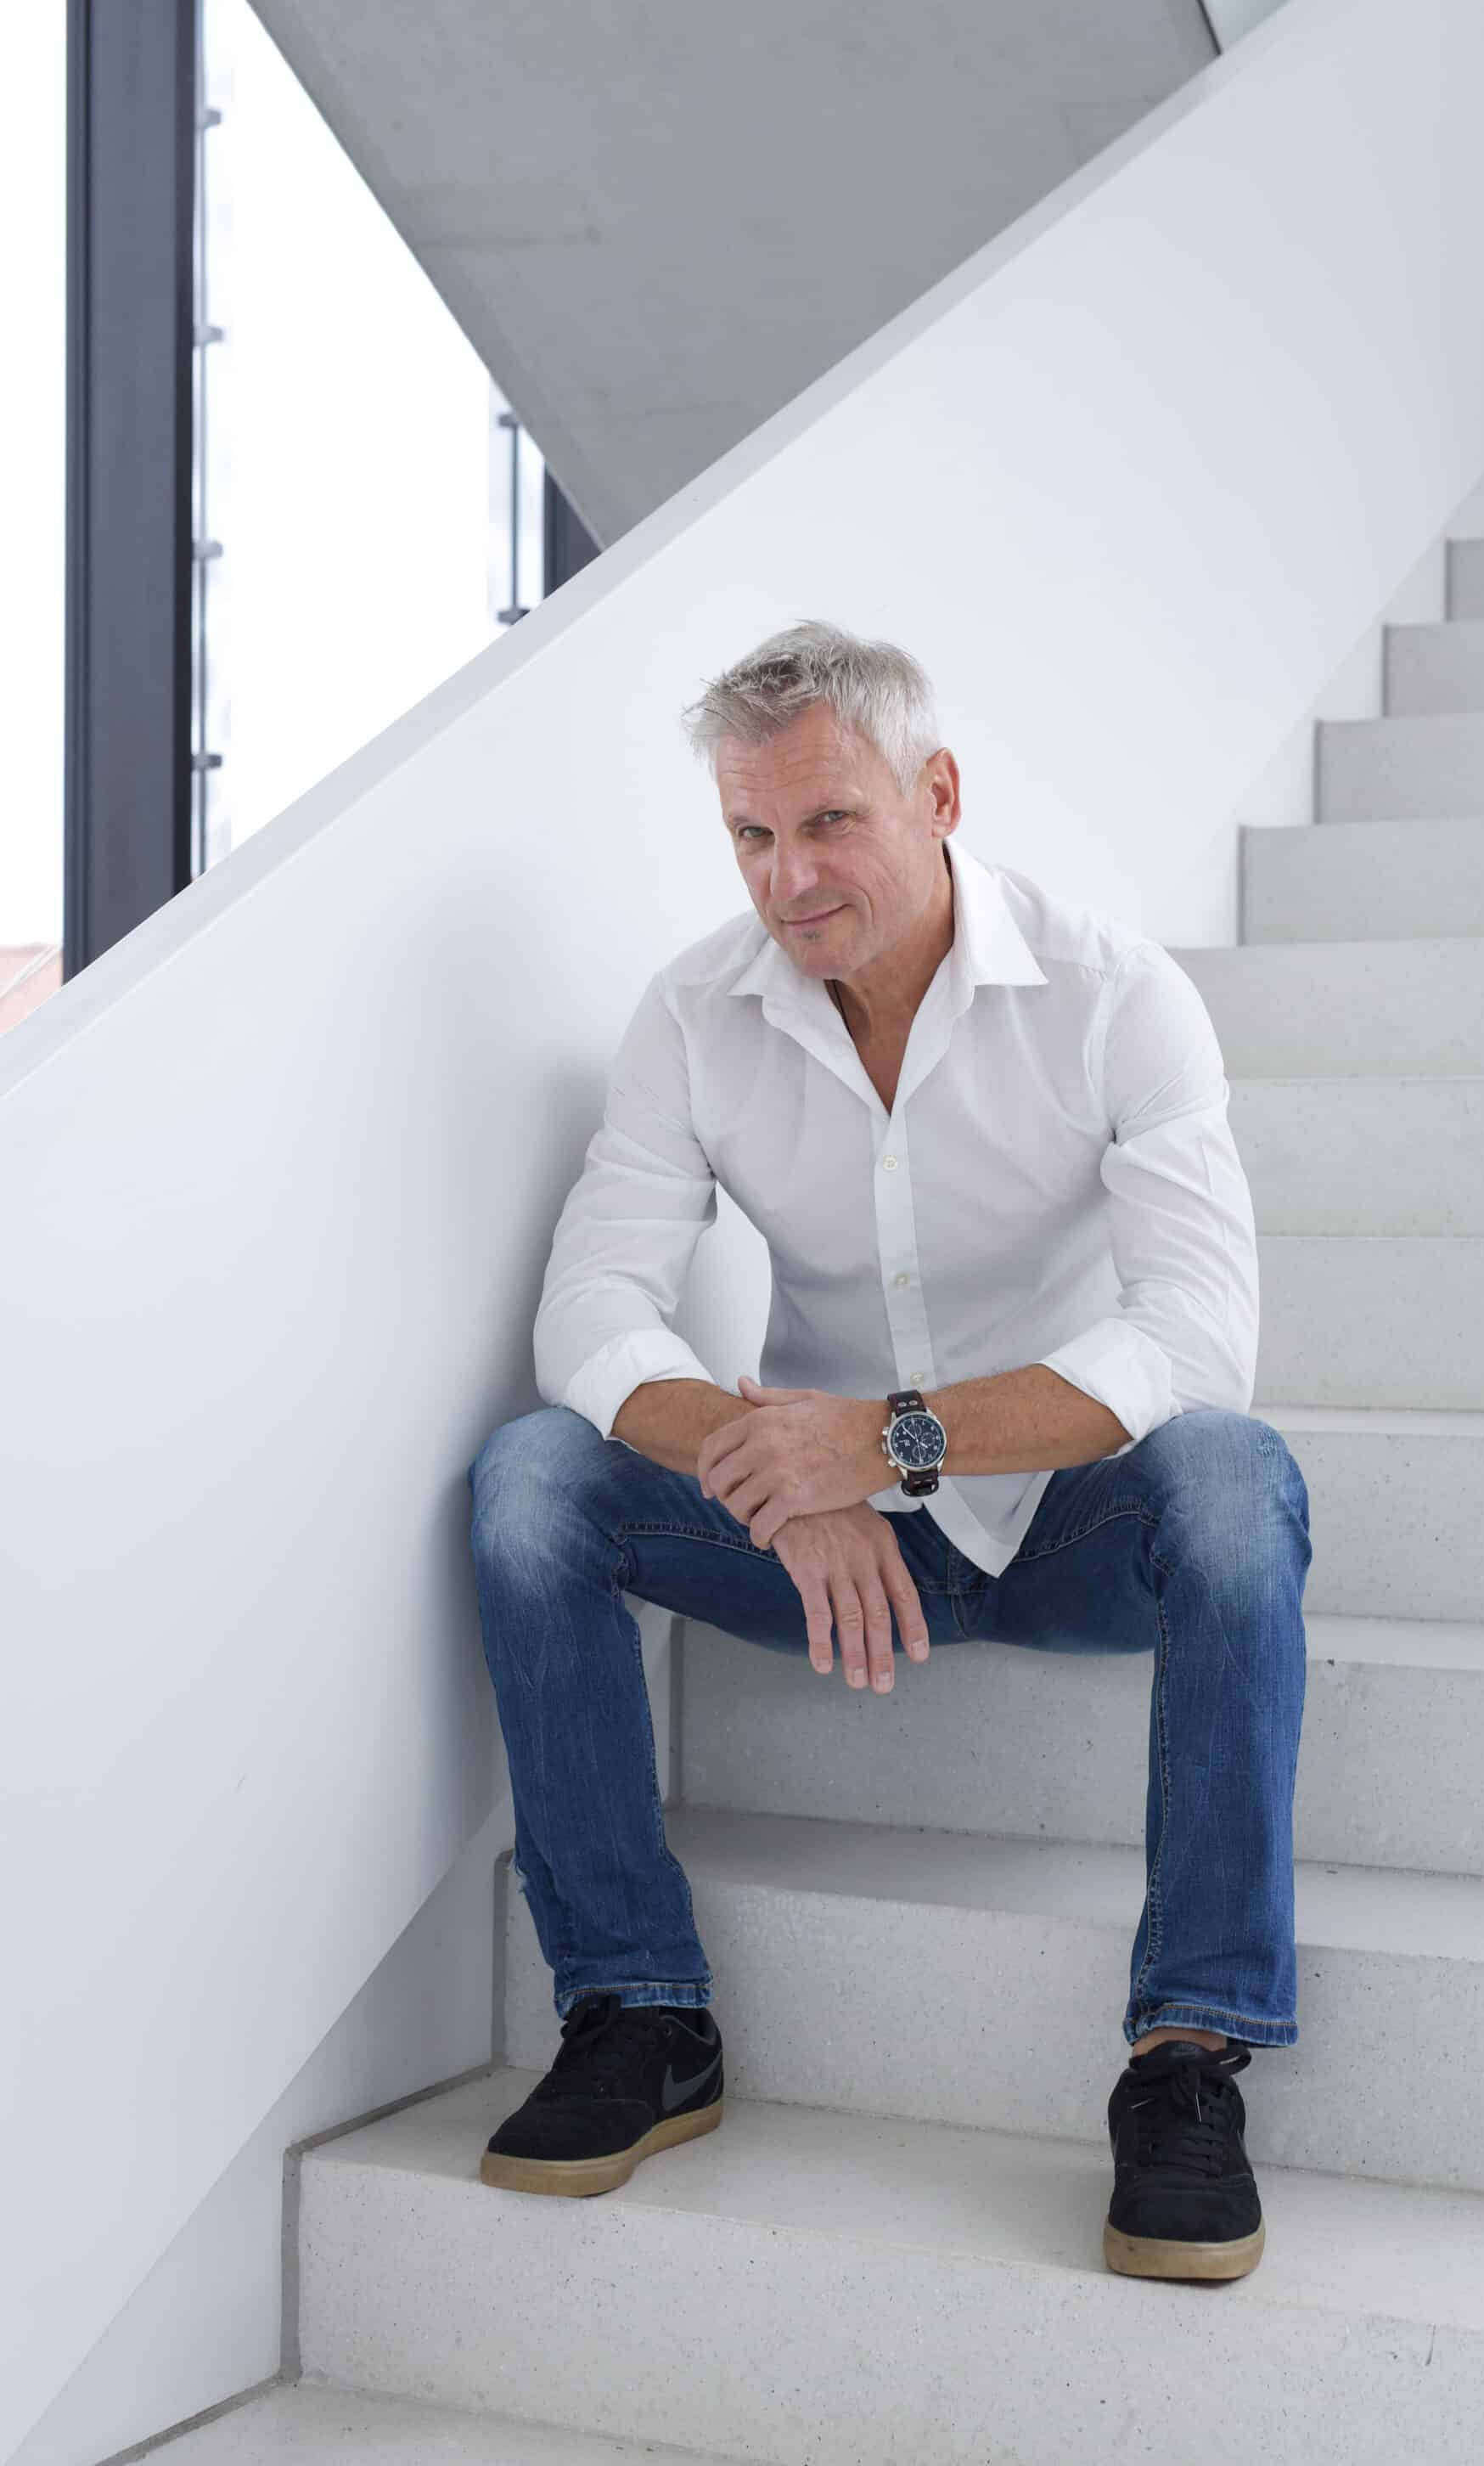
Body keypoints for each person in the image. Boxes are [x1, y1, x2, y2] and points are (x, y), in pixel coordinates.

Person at [466, 617, 1312, 2281]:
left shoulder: (1113, 996)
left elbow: (1195, 1338)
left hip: (1063, 1523)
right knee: (530, 1484)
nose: (786, 878)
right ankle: (637, 2009)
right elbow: (591, 1314)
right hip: (818, 1538)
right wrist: (784, 1478)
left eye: (828, 821)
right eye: (750, 834)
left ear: (938, 794)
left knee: (1235, 1480)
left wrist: (888, 1446)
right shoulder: (693, 1014)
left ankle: (1188, 2055)